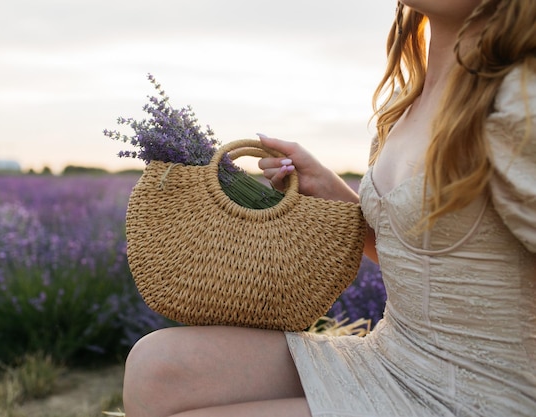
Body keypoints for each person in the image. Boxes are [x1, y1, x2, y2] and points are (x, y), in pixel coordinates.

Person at [121, 0, 536, 416]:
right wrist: (330, 191)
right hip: (394, 358)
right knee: (155, 369)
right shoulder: (411, 100)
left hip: (477, 396)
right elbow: (429, 254)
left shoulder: (520, 106)